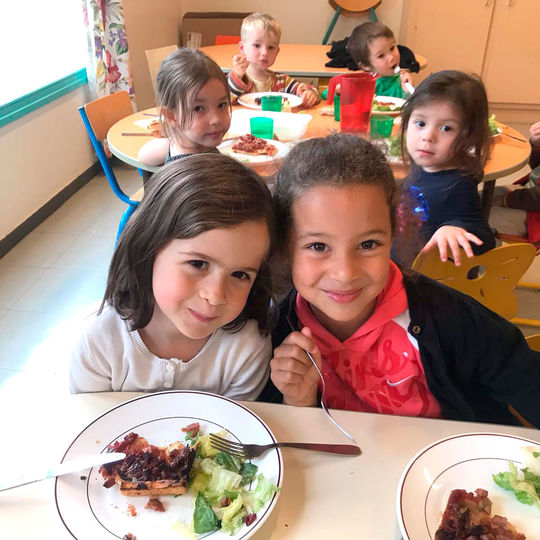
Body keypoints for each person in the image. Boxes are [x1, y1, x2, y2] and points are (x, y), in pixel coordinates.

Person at [262, 133, 540, 428]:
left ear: (393, 233)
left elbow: (526, 380)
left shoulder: (450, 319)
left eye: (368, 244)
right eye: (318, 247)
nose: (344, 273)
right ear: (285, 246)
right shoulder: (275, 334)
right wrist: (298, 403)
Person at [70, 153, 276, 398]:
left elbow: (234, 431)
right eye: (198, 264)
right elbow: (90, 426)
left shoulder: (246, 349)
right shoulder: (100, 342)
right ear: (148, 248)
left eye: (240, 274)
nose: (215, 296)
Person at [398, 70, 496, 265]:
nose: (428, 136)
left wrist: (454, 228)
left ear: (470, 136)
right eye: (420, 123)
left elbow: (486, 240)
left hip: (427, 284)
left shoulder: (459, 186)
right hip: (401, 264)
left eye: (446, 128)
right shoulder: (423, 166)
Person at [137, 48, 231, 167]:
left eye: (221, 105)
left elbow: (143, 155)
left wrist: (171, 142)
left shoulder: (188, 145)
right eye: (198, 108)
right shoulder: (200, 175)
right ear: (172, 116)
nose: (216, 119)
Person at [227, 12, 320, 107]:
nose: (264, 53)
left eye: (271, 47)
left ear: (277, 52)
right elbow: (225, 99)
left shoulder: (281, 81)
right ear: (242, 48)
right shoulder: (236, 79)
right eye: (257, 45)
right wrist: (237, 75)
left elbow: (304, 89)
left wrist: (309, 93)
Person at [490, 120, 540, 244]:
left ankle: (491, 260)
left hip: (534, 217)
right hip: (528, 193)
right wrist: (536, 145)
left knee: (481, 218)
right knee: (480, 198)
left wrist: (509, 198)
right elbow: (536, 168)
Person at [346, 22, 414, 98]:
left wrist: (408, 92)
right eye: (381, 56)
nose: (391, 57)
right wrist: (342, 92)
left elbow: (412, 107)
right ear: (366, 65)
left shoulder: (402, 82)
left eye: (392, 48)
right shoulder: (364, 85)